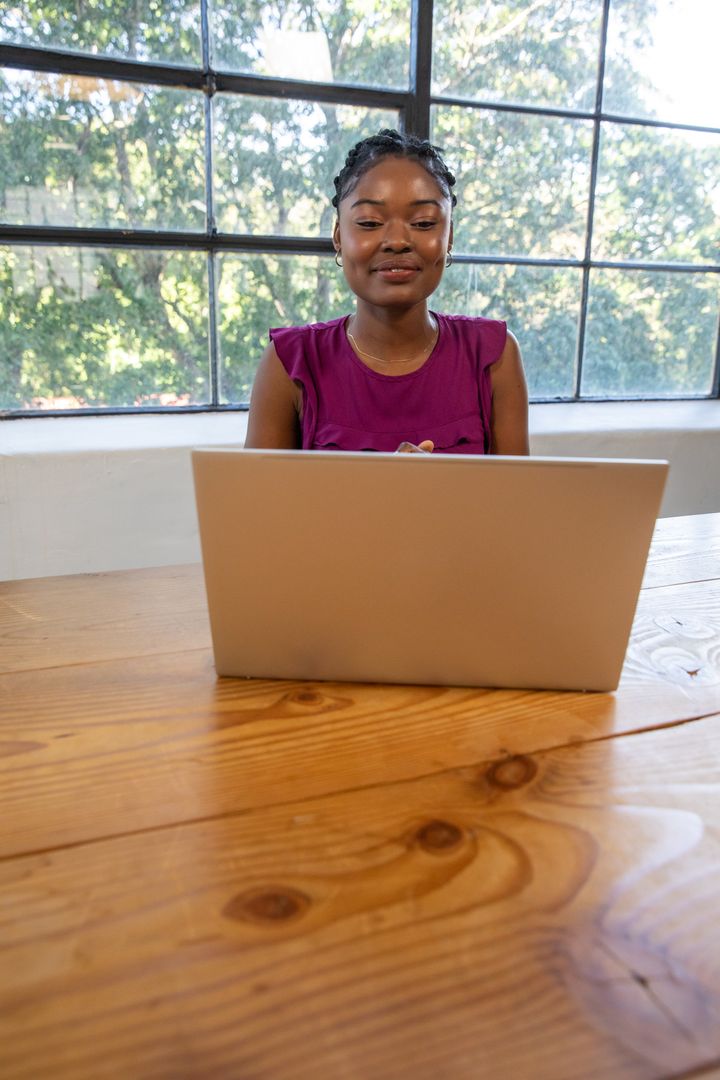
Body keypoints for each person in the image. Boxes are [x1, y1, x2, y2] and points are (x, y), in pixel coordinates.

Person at [246, 128, 529, 455]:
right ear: (339, 236)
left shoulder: (494, 356)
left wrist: (443, 490)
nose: (397, 241)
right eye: (369, 222)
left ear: (449, 237)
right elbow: (261, 504)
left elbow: (517, 503)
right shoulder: (289, 363)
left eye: (423, 223)